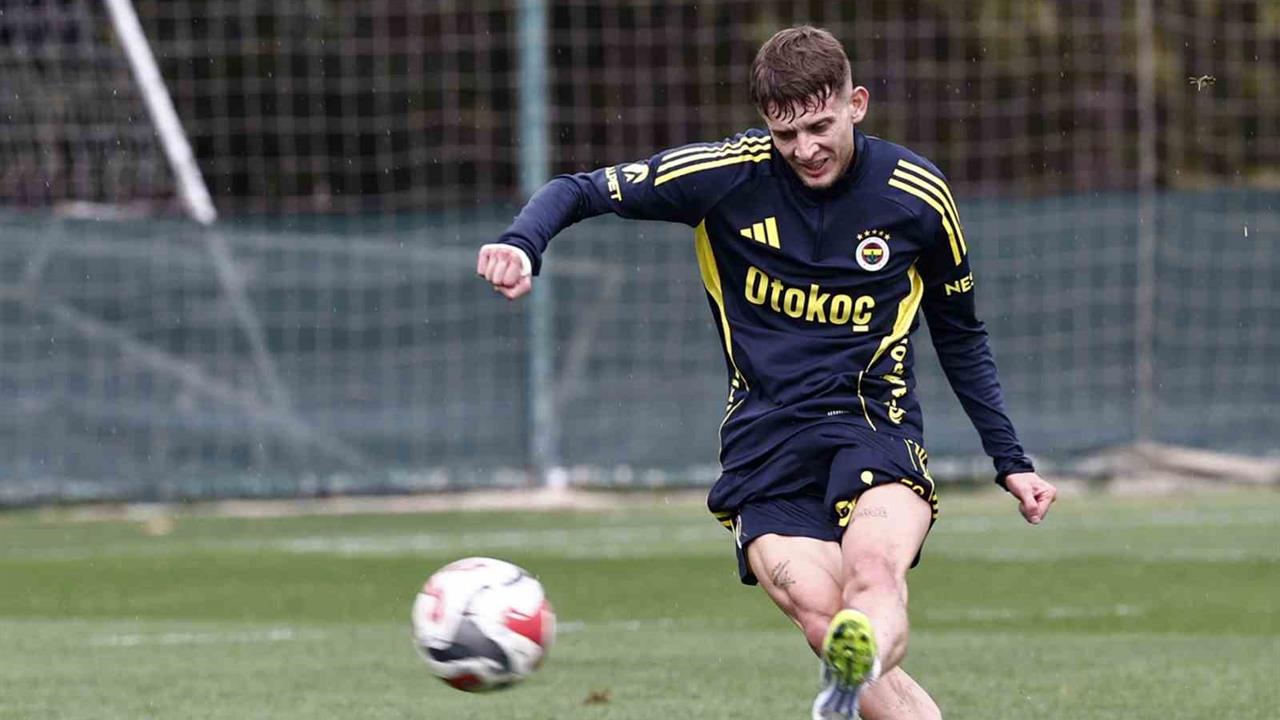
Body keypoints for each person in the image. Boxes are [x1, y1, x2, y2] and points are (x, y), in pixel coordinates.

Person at [477, 25, 1058, 720]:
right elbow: (580, 190)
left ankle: (857, 660)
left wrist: (1010, 458)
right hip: (765, 443)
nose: (805, 149)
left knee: (874, 574)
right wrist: (522, 244)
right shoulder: (725, 176)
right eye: (786, 135)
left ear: (856, 104)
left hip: (873, 427)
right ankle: (850, 668)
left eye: (820, 127)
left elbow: (961, 334)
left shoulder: (916, 194)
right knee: (822, 616)